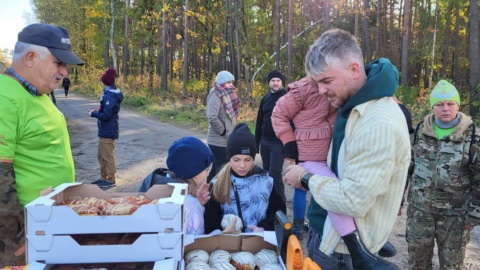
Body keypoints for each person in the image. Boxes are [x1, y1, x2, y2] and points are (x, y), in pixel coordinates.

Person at [283, 28, 410, 270]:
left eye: (326, 81)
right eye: (316, 83)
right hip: (327, 232)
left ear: (353, 69)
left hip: (344, 252)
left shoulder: (378, 123)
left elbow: (352, 201)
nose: (321, 91)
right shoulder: (352, 102)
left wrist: (305, 177)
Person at [0, 23, 84, 267]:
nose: (65, 72)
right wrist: (12, 241)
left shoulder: (36, 92)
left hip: (47, 226)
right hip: (25, 237)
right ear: (30, 57)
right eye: (58, 63)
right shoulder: (5, 97)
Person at [406, 80, 480, 269]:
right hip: (420, 213)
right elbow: (407, 168)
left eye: (450, 103)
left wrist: (474, 213)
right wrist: (398, 201)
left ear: (457, 105)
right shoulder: (419, 132)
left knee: (451, 265)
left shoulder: (472, 136)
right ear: (433, 107)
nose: (445, 108)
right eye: (439, 104)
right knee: (417, 263)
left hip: (455, 216)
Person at [271, 76, 337, 240]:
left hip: (333, 149)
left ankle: (321, 228)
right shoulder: (302, 89)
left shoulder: (338, 82)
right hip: (308, 151)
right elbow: (278, 113)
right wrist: (289, 143)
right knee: (302, 188)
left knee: (327, 190)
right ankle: (299, 226)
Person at [138, 136, 238, 235]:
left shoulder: (159, 184)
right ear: (193, 172)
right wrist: (222, 234)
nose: (208, 174)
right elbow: (195, 244)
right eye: (206, 170)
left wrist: (198, 204)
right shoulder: (189, 204)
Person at [204, 123, 286, 234]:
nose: (242, 165)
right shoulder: (217, 184)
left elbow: (278, 211)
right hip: (228, 244)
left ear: (253, 158)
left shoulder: (266, 182)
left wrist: (263, 228)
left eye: (247, 160)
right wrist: (219, 232)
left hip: (259, 243)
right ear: (229, 158)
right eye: (236, 160)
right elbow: (210, 219)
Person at [255, 69, 287, 203]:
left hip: (278, 143)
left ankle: (281, 204)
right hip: (265, 141)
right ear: (269, 83)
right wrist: (256, 144)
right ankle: (268, 201)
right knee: (266, 173)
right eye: (273, 80)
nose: (275, 83)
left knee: (275, 174)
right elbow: (259, 121)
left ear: (282, 82)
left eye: (278, 80)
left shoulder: (286, 96)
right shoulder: (265, 99)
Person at [89, 68, 124, 188]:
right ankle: (103, 177)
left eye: (102, 80)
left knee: (107, 156)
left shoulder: (110, 97)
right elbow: (105, 111)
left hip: (108, 130)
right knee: (101, 155)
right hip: (104, 130)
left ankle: (111, 179)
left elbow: (107, 116)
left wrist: (94, 113)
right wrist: (98, 110)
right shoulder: (108, 94)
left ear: (106, 82)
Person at [206, 70, 240, 182]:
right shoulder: (216, 94)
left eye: (231, 82)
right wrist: (223, 131)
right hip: (217, 141)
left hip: (226, 139)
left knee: (216, 170)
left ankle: (208, 194)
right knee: (222, 171)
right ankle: (217, 196)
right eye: (228, 82)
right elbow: (212, 117)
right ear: (222, 83)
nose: (231, 85)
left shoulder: (227, 94)